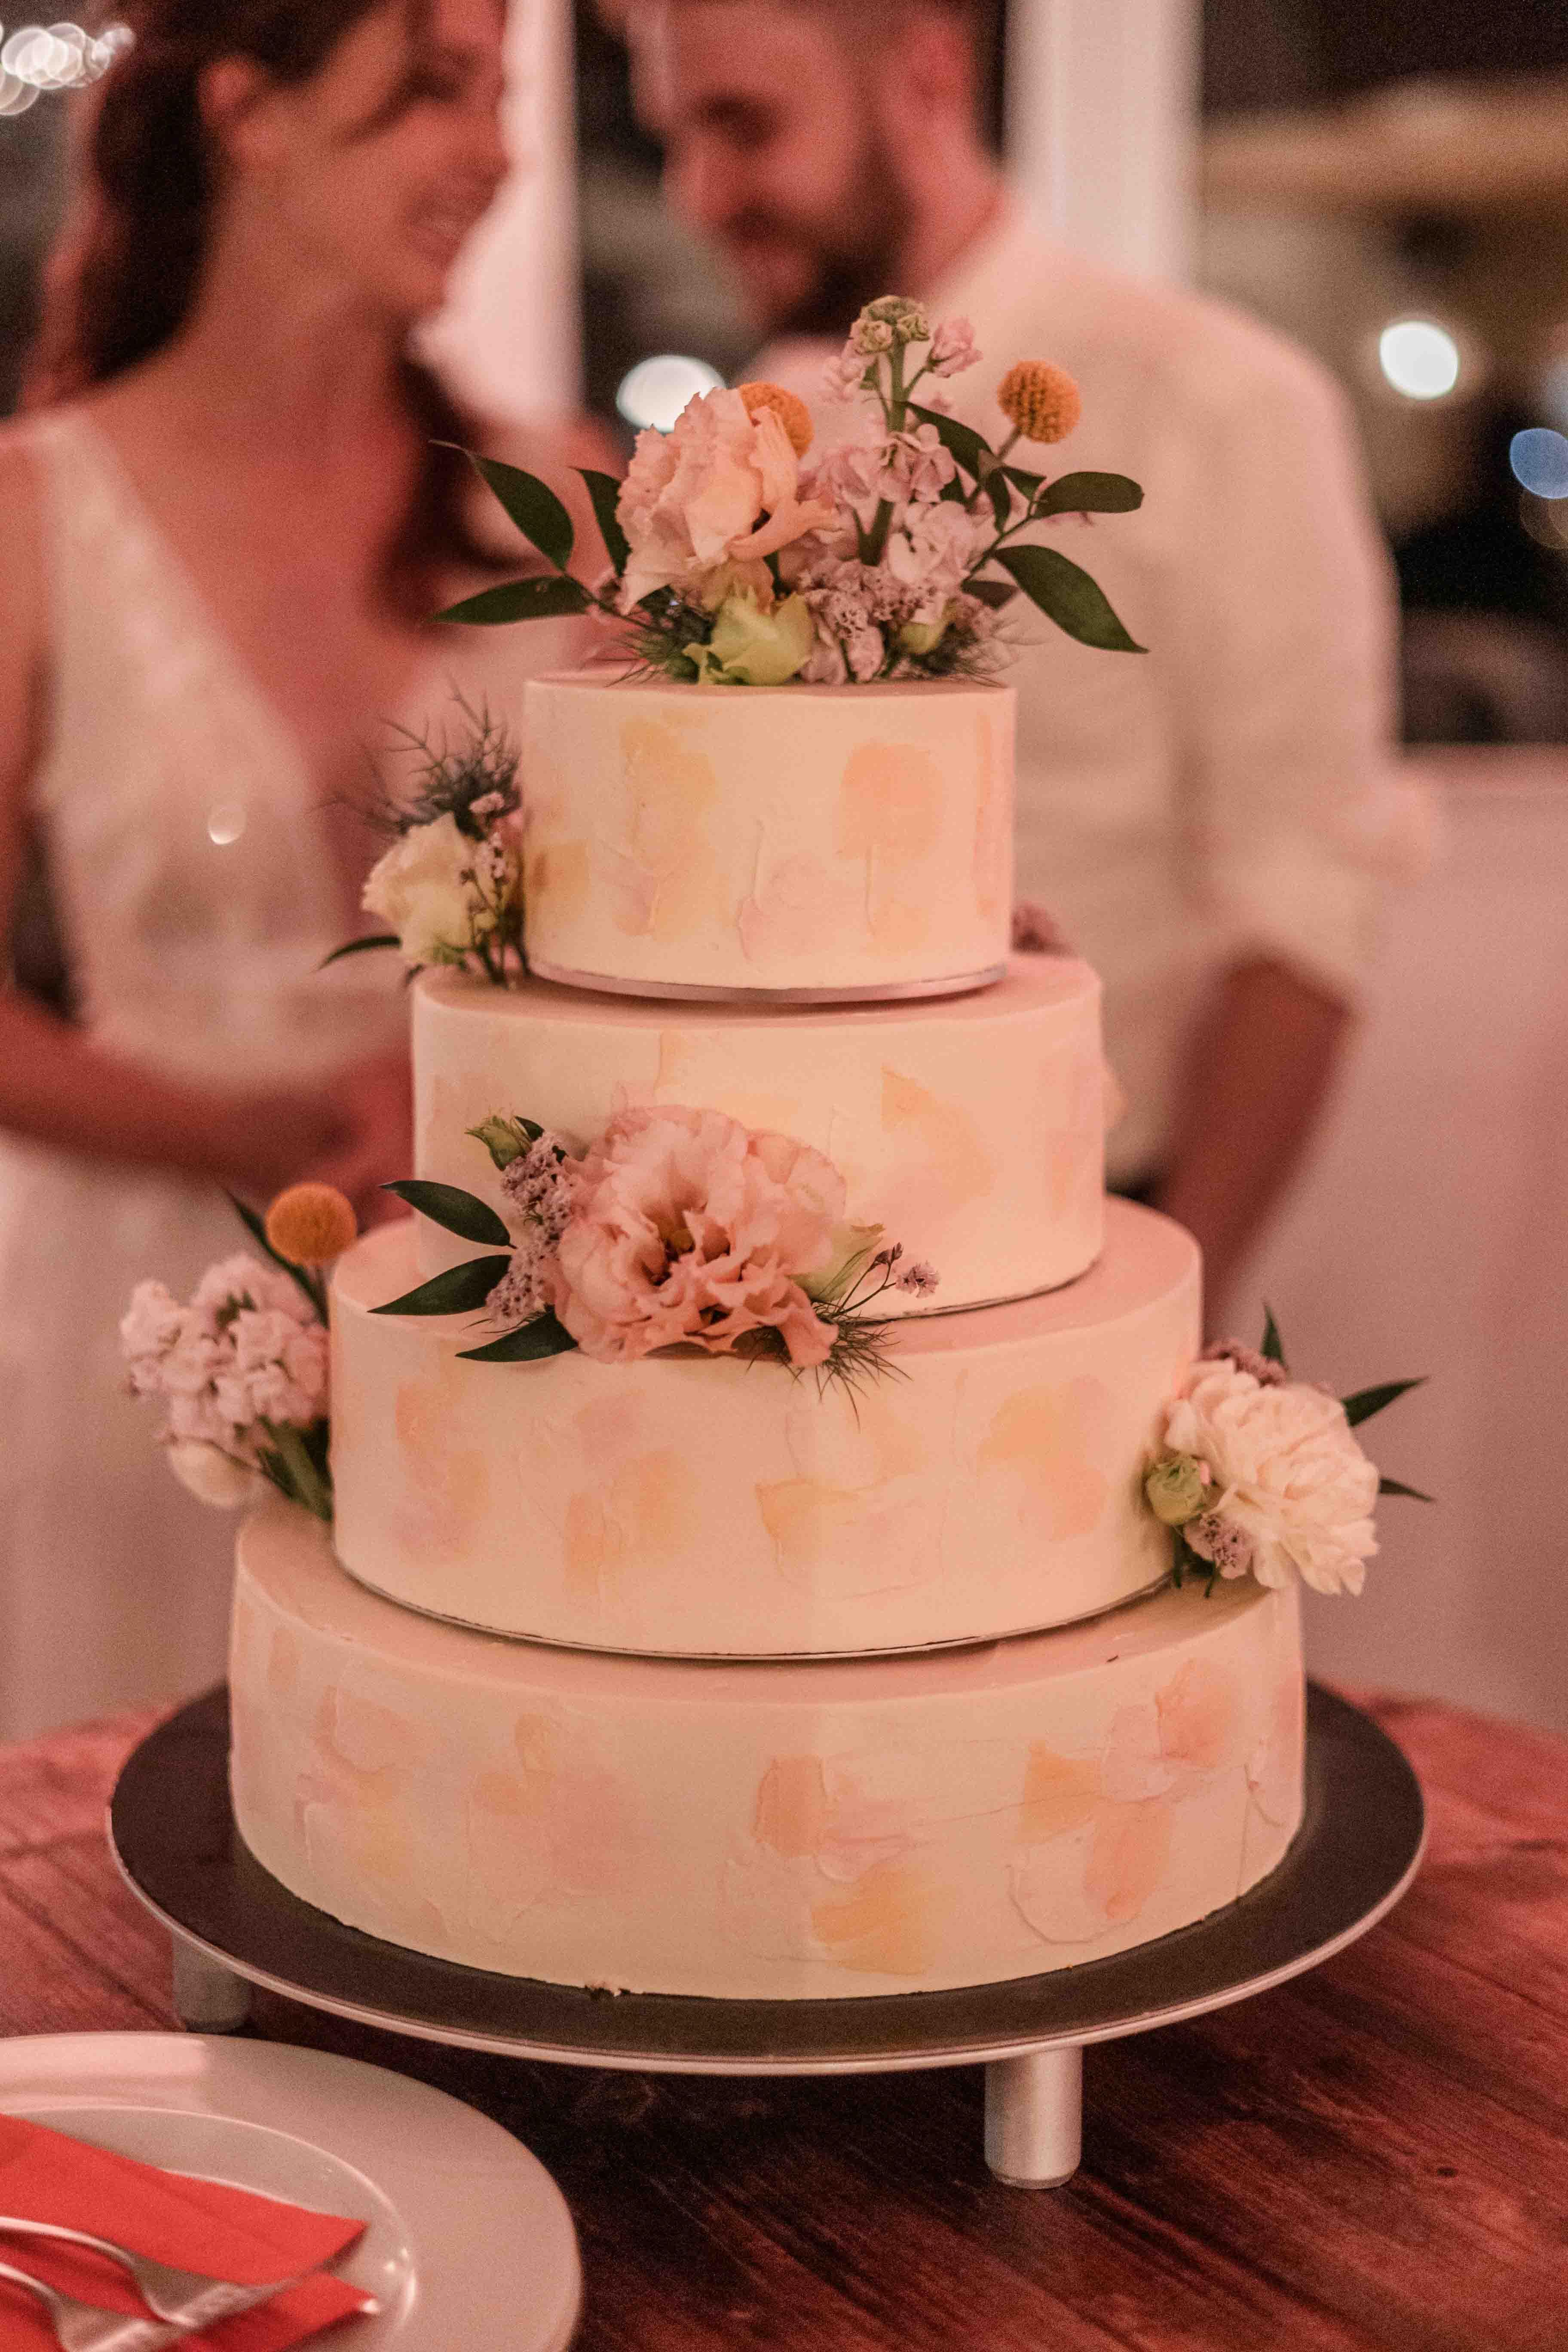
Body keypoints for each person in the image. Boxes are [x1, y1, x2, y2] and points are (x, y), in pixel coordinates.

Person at [617, 0, 1414, 1313]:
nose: (698, 196)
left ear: (925, 77)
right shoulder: (751, 437)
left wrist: (1160, 1322)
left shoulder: (1216, 402)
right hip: (758, 1280)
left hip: (1096, 1230)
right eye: (674, 139)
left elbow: (1306, 911)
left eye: (744, 126)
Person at [0, 0, 592, 1739]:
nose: (496, 155)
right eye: (433, 96)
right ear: (249, 116)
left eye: (504, 100)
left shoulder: (564, 499)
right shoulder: (32, 517)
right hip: (137, 1329)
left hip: (490, 1327)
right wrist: (273, 1140)